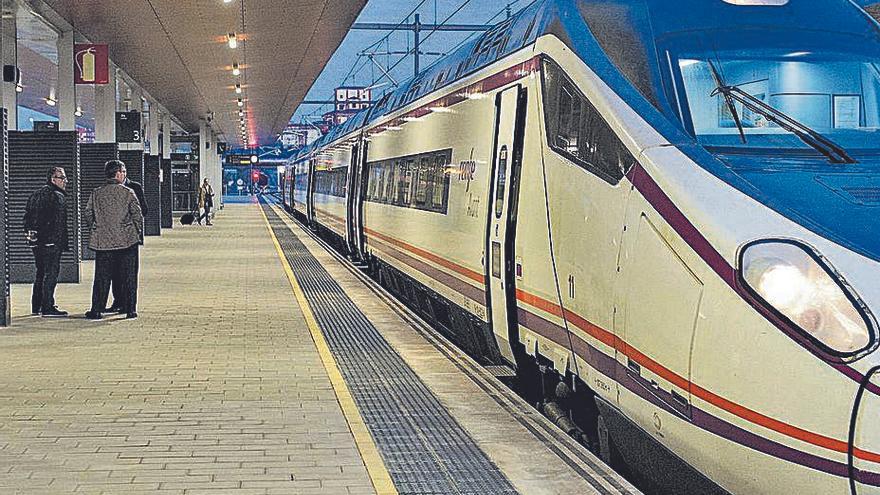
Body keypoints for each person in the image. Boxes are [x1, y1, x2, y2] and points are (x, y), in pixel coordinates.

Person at [84, 160, 143, 320]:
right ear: (117, 173)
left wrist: (96, 228)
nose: (124, 174)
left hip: (103, 243)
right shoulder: (128, 192)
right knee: (129, 277)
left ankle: (96, 310)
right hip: (127, 242)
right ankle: (130, 310)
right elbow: (137, 215)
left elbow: (88, 213)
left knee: (101, 278)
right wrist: (136, 233)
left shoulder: (96, 193)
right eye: (122, 172)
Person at [23, 167, 70, 317]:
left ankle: (36, 306)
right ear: (53, 179)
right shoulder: (58, 196)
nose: (65, 181)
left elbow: (27, 218)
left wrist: (33, 237)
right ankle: (48, 307)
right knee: (51, 274)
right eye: (62, 178)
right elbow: (58, 223)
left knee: (40, 273)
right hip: (51, 242)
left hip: (36, 243)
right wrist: (56, 241)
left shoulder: (35, 195)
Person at [105, 176, 147, 313]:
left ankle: (128, 306)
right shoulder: (106, 189)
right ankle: (118, 301)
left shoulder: (134, 187)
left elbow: (143, 211)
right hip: (111, 238)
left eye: (123, 171)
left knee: (128, 273)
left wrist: (135, 231)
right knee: (114, 273)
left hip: (128, 239)